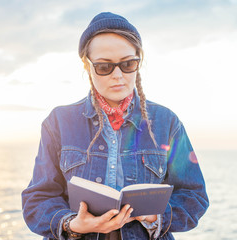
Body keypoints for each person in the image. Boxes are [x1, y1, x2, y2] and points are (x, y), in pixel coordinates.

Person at [22, 12, 209, 240]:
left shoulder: (167, 122)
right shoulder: (58, 122)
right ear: (87, 65)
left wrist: (155, 216)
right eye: (104, 67)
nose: (118, 75)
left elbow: (195, 196)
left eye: (128, 64)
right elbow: (36, 200)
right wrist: (73, 224)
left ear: (138, 62)